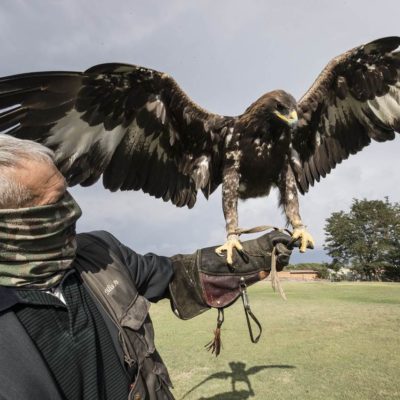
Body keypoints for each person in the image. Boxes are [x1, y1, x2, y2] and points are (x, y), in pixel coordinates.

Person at [0, 134, 294, 400]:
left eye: (68, 193)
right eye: (56, 202)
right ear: (11, 224)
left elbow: (178, 276)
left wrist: (257, 255)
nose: (75, 210)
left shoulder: (100, 253)